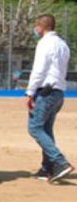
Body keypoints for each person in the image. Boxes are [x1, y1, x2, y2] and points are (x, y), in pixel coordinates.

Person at [26, 14, 72, 183]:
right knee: (46, 129)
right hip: (58, 91)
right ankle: (48, 167)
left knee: (35, 128)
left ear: (40, 27)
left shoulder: (45, 43)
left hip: (45, 91)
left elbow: (39, 69)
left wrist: (30, 92)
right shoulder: (62, 44)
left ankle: (60, 162)